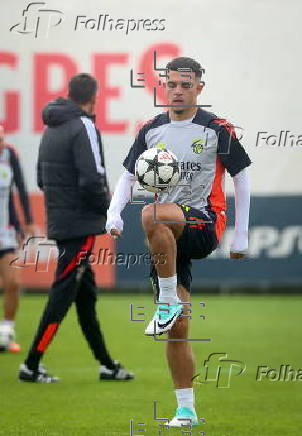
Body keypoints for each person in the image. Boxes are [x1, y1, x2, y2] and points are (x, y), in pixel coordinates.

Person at [106, 57, 251, 427]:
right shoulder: (151, 129)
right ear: (164, 86)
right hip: (167, 238)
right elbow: (127, 175)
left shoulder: (217, 128)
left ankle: (166, 300)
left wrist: (242, 233)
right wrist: (113, 214)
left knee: (152, 213)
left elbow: (242, 176)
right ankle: (186, 410)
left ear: (199, 88)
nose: (178, 90)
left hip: (204, 223)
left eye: (186, 84)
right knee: (179, 328)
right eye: (172, 84)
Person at [18, 73, 134, 383]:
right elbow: (92, 177)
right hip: (79, 225)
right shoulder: (83, 126)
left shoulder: (51, 127)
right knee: (62, 294)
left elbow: (42, 179)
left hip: (61, 220)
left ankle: (107, 365)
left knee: (85, 297)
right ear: (94, 98)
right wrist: (109, 211)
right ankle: (31, 364)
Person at [0, 125, 34, 353]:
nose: (2, 143)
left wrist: (26, 222)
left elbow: (19, 189)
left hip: (5, 232)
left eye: (2, 138)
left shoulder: (9, 155)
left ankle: (6, 332)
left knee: (13, 282)